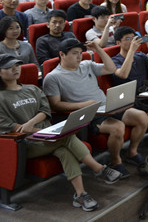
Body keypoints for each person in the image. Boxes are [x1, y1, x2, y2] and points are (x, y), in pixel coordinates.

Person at [0, 54, 122, 212]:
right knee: (67, 136)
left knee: (65, 151)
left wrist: (32, 124)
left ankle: (80, 194)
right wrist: (32, 129)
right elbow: (10, 126)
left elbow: (44, 110)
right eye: (9, 67)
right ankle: (99, 168)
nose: (15, 69)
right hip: (26, 144)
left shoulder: (32, 89)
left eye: (17, 65)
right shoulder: (2, 97)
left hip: (45, 135)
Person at [44, 39, 148, 178]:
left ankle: (132, 152)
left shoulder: (86, 65)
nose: (79, 57)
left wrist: (98, 49)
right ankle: (116, 162)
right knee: (118, 127)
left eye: (81, 53)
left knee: (142, 116)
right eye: (74, 53)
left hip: (107, 107)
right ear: (62, 55)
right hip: (89, 114)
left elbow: (111, 69)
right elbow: (55, 105)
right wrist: (84, 105)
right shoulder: (53, 77)